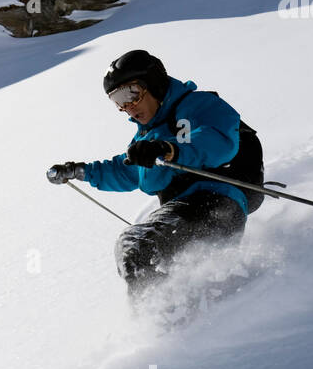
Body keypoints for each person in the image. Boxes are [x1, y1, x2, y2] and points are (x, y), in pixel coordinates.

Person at [48, 50, 250, 299]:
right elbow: (126, 170)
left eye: (129, 94)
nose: (127, 107)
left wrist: (170, 151)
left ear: (153, 83)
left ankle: (162, 322)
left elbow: (216, 141)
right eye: (118, 101)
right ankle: (186, 315)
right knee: (141, 252)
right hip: (187, 213)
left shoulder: (197, 106)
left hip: (216, 203)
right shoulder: (147, 138)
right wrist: (82, 171)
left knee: (138, 245)